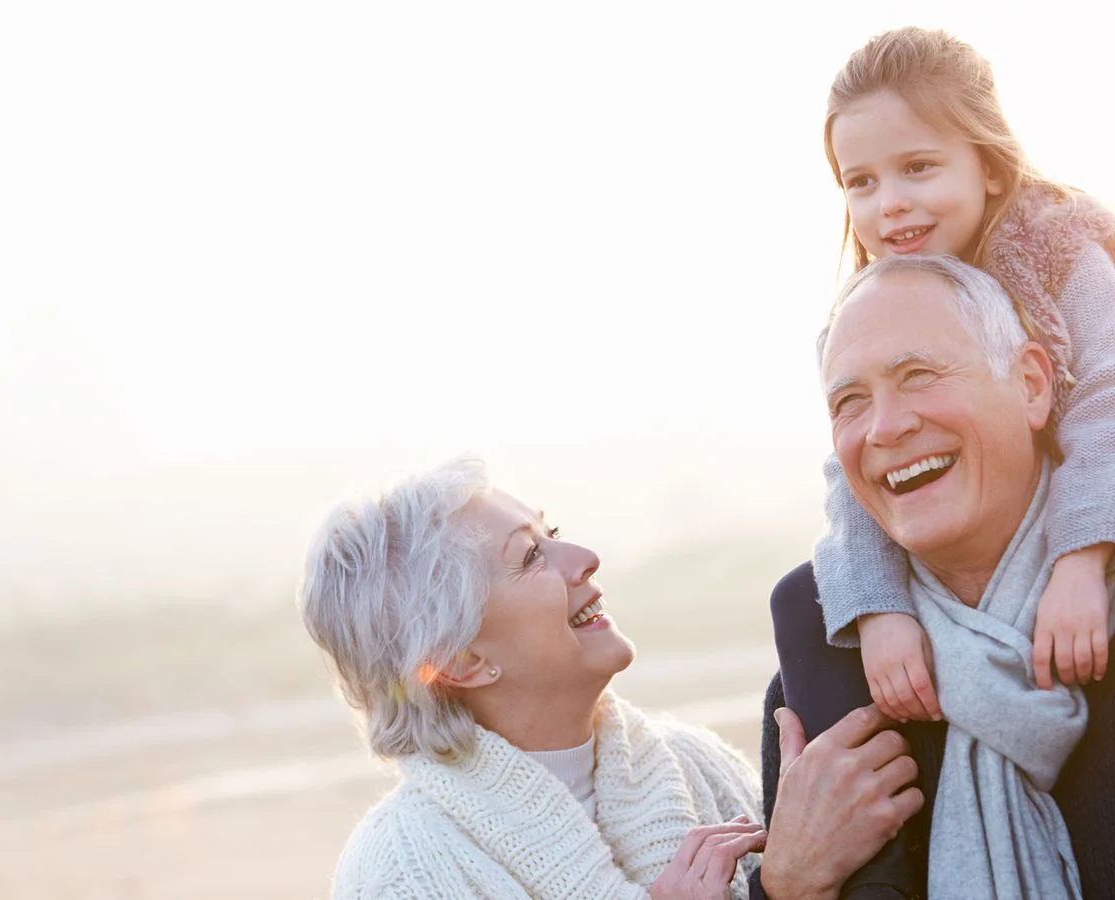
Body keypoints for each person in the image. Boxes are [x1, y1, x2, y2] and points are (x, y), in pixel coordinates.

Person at [299, 459, 923, 899]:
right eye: (530, 556)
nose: (584, 558)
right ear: (460, 661)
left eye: (555, 534)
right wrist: (788, 887)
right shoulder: (400, 872)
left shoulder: (694, 763)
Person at [770, 254, 1115, 899]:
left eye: (920, 375)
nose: (885, 426)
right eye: (850, 401)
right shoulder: (826, 682)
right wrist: (789, 884)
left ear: (1033, 386)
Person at [812, 26, 1115, 722]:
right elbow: (852, 472)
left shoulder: (1060, 252)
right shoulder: (863, 317)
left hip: (1076, 521)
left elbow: (1106, 396)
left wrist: (1082, 557)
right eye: (861, 181)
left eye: (918, 167)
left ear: (990, 167)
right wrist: (878, 608)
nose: (888, 202)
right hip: (962, 552)